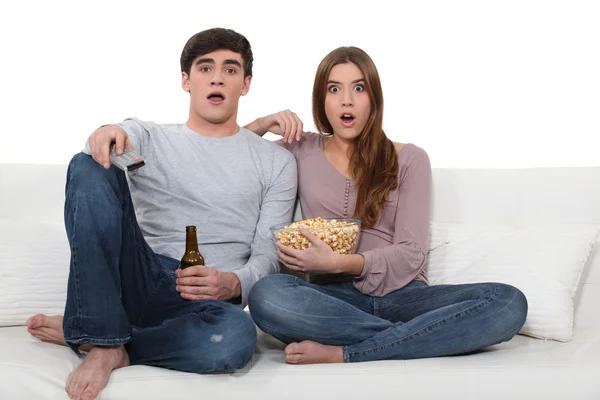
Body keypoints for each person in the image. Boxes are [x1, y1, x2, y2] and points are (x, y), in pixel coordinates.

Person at [25, 28, 297, 400]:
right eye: (205, 68)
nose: (217, 77)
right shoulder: (152, 137)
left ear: (245, 84)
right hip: (142, 274)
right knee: (88, 164)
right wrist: (109, 131)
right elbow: (118, 136)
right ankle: (102, 338)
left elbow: (269, 254)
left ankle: (98, 336)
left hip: (204, 303)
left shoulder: (276, 162)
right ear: (186, 80)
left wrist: (233, 282)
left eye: (230, 70)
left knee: (233, 340)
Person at [244, 46, 528, 365]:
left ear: (374, 98)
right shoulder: (300, 149)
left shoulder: (409, 158)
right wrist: (261, 123)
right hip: (330, 300)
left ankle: (348, 351)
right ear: (321, 100)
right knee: (267, 295)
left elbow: (411, 252)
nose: (347, 100)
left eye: (359, 88)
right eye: (334, 89)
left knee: (507, 302)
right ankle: (425, 336)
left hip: (405, 297)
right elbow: (230, 159)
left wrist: (338, 263)